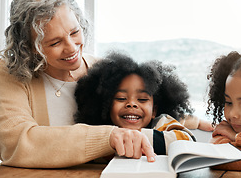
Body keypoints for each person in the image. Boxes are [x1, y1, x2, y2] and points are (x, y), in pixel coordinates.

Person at [0, 0, 155, 169]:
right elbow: (14, 142)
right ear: (28, 48)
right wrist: (106, 138)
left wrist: (189, 123)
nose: (71, 48)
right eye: (55, 42)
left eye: (75, 32)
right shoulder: (11, 71)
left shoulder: (104, 69)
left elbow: (151, 113)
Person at [74, 52, 213, 155]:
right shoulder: (102, 134)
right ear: (105, 106)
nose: (132, 104)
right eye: (121, 98)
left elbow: (187, 140)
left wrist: (134, 137)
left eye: (142, 99)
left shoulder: (161, 123)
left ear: (154, 110)